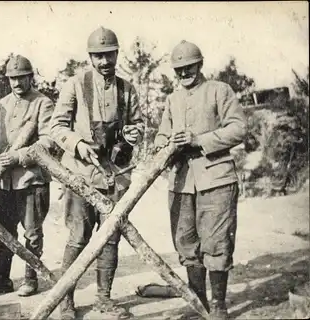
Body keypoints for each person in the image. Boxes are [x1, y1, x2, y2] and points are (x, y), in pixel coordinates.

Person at [49, 26, 144, 320]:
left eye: (109, 55)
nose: (104, 62)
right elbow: (56, 127)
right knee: (78, 236)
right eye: (98, 56)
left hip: (115, 175)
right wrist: (77, 145)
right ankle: (66, 301)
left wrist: (132, 135)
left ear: (117, 54)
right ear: (90, 57)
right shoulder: (75, 85)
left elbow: (139, 126)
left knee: (111, 237)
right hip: (80, 174)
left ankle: (104, 299)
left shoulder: (128, 89)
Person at [150, 40, 247, 319]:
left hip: (216, 179)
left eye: (188, 67)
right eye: (178, 69)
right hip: (181, 182)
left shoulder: (219, 90)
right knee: (186, 243)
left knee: (216, 243)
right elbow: (161, 135)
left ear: (200, 64)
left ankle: (218, 305)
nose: (183, 74)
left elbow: (239, 128)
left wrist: (199, 140)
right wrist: (166, 143)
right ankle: (198, 302)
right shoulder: (172, 99)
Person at [0, 55, 55, 299]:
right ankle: (2, 279)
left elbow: (48, 141)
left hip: (32, 179)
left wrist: (18, 157)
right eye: (12, 78)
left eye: (21, 77)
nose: (17, 83)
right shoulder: (2, 104)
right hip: (3, 181)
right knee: (2, 231)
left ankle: (30, 279)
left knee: (32, 232)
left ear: (31, 77)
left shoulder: (43, 103)